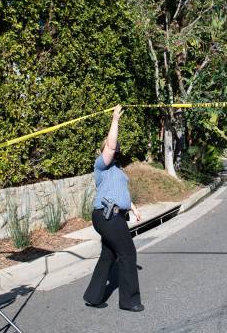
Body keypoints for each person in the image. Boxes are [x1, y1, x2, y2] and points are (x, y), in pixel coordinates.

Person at [83, 105, 144, 312]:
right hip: (106, 215)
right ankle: (129, 301)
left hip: (114, 214)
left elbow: (121, 193)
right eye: (112, 146)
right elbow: (109, 147)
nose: (115, 148)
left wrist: (133, 208)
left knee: (108, 255)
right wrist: (115, 120)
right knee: (128, 254)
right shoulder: (101, 166)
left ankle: (93, 296)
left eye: (117, 147)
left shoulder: (117, 170)